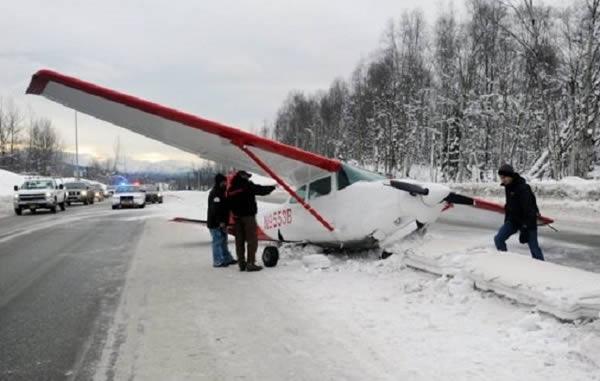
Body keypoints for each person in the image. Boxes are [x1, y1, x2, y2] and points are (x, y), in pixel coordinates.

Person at [494, 164, 545, 261]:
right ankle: (505, 261)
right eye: (501, 178)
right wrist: (507, 220)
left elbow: (530, 209)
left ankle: (542, 270)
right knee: (498, 239)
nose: (502, 180)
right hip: (513, 220)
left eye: (504, 177)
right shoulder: (507, 186)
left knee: (534, 249)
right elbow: (509, 205)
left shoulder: (523, 188)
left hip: (528, 221)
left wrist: (525, 227)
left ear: (510, 175)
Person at [227, 170, 276, 272]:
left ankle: (241, 263)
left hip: (237, 218)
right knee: (252, 240)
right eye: (247, 177)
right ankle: (250, 263)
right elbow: (260, 190)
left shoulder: (231, 188)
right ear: (243, 176)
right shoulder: (247, 185)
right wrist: (272, 188)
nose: (248, 178)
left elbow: (228, 203)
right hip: (248, 217)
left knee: (239, 241)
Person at [207, 173, 236, 267]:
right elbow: (215, 209)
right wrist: (221, 222)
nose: (226, 183)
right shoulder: (215, 193)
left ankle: (227, 258)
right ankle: (218, 261)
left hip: (222, 222)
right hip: (216, 223)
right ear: (220, 182)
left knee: (223, 241)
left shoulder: (222, 192)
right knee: (217, 241)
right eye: (224, 182)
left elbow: (225, 206)